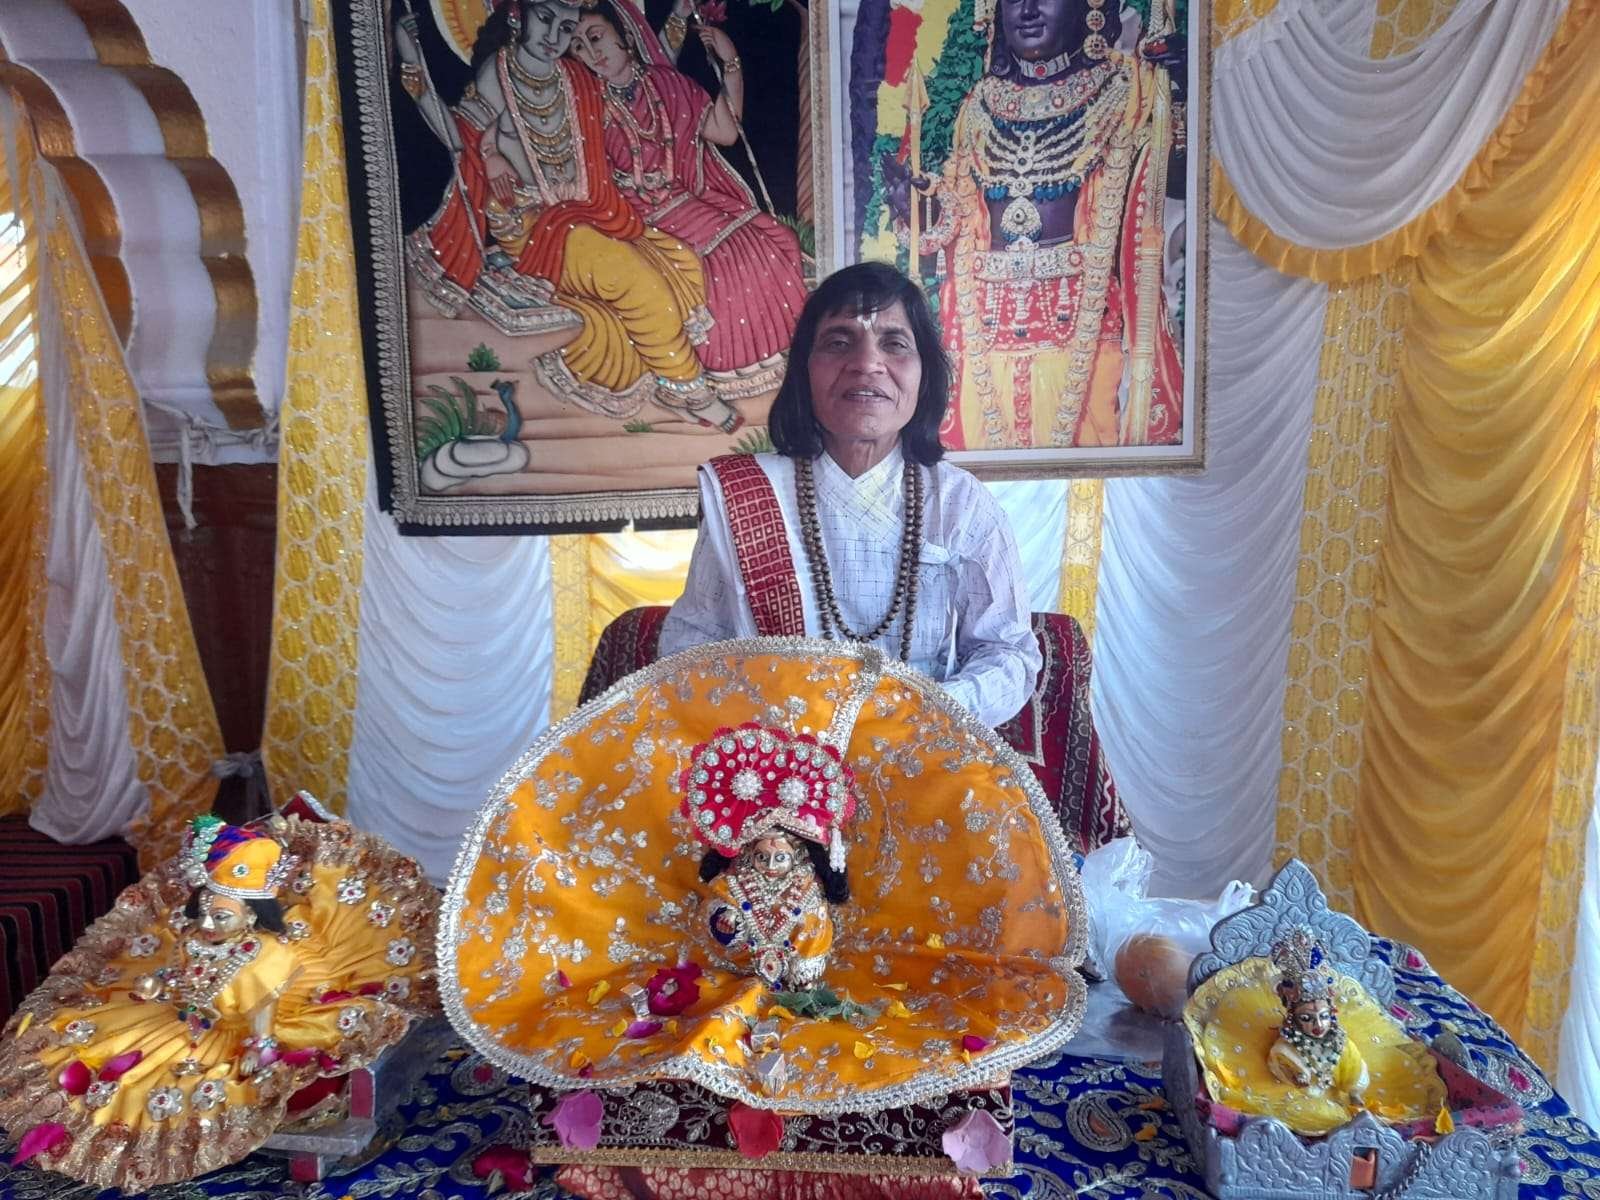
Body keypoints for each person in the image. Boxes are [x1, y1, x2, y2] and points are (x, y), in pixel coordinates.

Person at [658, 261, 1041, 728]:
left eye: (894, 344)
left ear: (924, 376)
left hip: (921, 738)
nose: (866, 363)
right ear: (805, 372)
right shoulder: (748, 495)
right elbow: (691, 647)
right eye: (839, 343)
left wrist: (924, 714)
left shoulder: (960, 503)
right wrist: (766, 725)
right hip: (778, 748)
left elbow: (1007, 652)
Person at [0, 812, 438, 1192]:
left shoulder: (266, 955)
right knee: (88, 1047)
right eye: (205, 912)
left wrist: (261, 1047)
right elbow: (180, 976)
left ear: (252, 915)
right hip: (185, 1020)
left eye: (222, 916)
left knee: (190, 1092)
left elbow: (261, 1009)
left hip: (244, 1029)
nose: (208, 923)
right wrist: (158, 985)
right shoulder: (195, 936)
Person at [395, 0, 740, 430]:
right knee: (637, 283)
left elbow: (640, 69)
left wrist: (677, 19)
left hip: (591, 211)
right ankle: (690, 388)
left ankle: (668, 383)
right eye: (545, 19)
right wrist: (413, 63)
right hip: (532, 222)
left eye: (567, 27)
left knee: (682, 262)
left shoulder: (575, 75)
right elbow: (457, 136)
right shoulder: (498, 75)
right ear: (519, 16)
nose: (555, 37)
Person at [906, 0, 1184, 449]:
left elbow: (1171, 180)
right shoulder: (979, 106)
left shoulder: (1125, 91)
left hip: (1084, 328)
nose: (1028, 10)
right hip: (984, 333)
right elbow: (956, 226)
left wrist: (1183, 92)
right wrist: (917, 206)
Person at [568, 0, 807, 393]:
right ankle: (724, 371)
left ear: (625, 36)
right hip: (634, 216)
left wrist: (730, 63)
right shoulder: (588, 106)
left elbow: (725, 132)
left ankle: (777, 361)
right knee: (727, 259)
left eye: (596, 37)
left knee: (777, 239)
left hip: (685, 198)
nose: (592, 53)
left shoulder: (667, 84)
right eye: (578, 46)